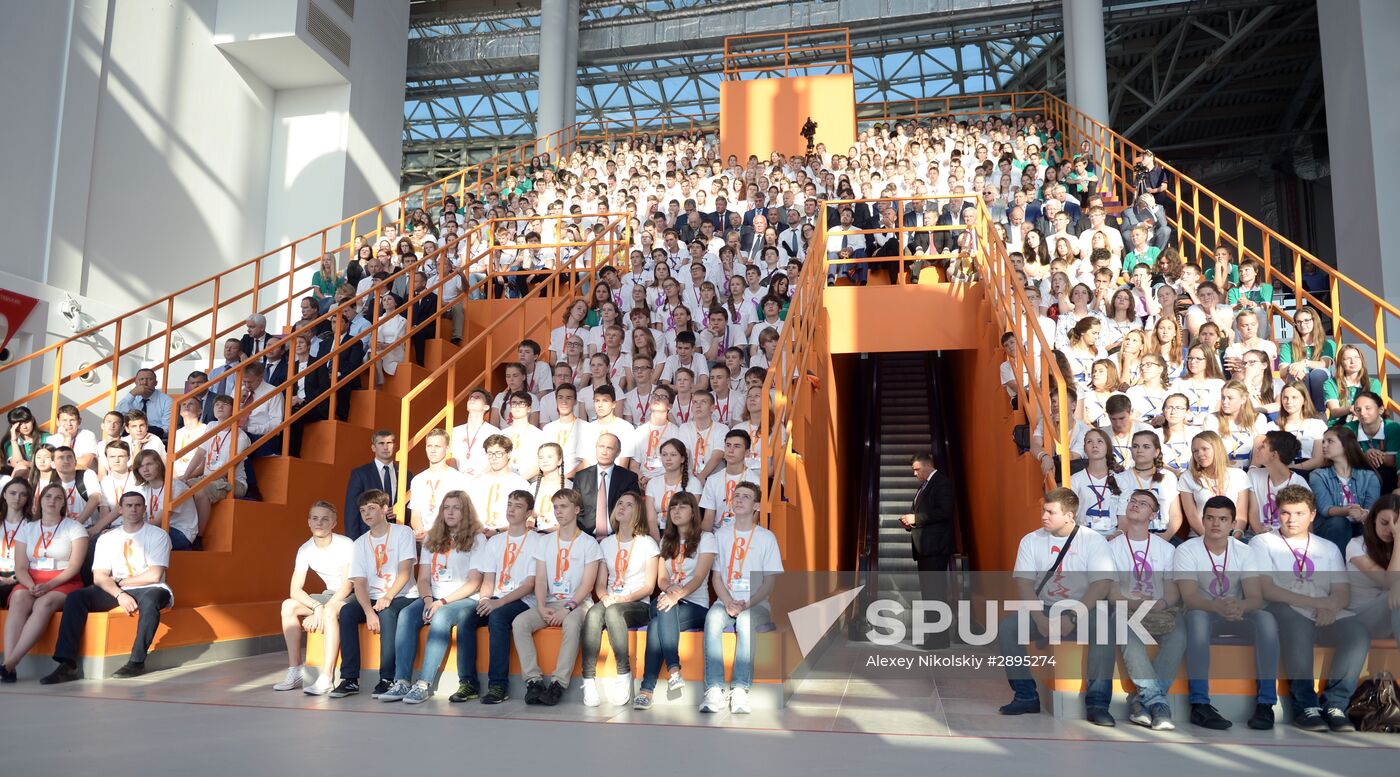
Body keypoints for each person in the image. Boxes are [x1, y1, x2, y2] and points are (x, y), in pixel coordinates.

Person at [1250, 485, 1369, 732]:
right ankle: (1305, 705)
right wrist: (1320, 604)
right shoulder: (1262, 542)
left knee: (1357, 632)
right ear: (1277, 512)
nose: (1291, 519)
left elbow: (1342, 592)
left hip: (1324, 613)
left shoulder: (1327, 547)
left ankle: (1335, 704)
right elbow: (1266, 589)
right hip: (1284, 610)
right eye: (1285, 513)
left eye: (1299, 513)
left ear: (1313, 514)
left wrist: (1331, 606)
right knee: (1296, 623)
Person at [997, 487, 1116, 725]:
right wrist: (1040, 619)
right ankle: (1026, 695)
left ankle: (1098, 704)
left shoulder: (1093, 541)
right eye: (1044, 510)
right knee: (1008, 629)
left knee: (1104, 630)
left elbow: (1101, 586)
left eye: (1051, 512)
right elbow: (1024, 584)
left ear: (1069, 516)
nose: (1044, 516)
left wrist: (1072, 617)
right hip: (1046, 607)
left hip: (1084, 608)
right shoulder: (1031, 540)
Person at [40, 491, 174, 683]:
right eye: (128, 505)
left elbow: (154, 575)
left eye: (138, 505)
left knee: (151, 599)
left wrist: (123, 583)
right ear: (120, 509)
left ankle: (137, 661)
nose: (133, 509)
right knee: (76, 598)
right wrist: (120, 593)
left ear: (145, 509)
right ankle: (67, 664)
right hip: (116, 587)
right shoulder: (107, 538)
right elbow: (99, 577)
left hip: (149, 586)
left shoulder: (158, 535)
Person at [1172, 495, 1279, 730]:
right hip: (1204, 612)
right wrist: (1216, 606)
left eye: (1222, 519)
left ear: (1233, 524)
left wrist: (1240, 606)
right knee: (1197, 620)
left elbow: (1255, 597)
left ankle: (1266, 704)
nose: (1215, 524)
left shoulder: (1244, 551)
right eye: (1209, 518)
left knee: (1266, 620)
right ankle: (1199, 704)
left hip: (1237, 613)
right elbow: (1189, 598)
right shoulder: (1186, 550)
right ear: (1202, 520)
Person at [379, 490, 487, 704]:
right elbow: (423, 578)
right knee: (407, 614)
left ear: (465, 511)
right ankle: (402, 681)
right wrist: (428, 600)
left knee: (441, 617)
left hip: (464, 599)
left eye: (456, 508)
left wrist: (442, 603)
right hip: (433, 596)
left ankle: (423, 684)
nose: (450, 512)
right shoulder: (431, 537)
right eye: (446, 508)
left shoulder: (478, 538)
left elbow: (475, 582)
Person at [513, 489, 603, 706]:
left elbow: (587, 584)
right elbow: (541, 580)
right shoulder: (545, 542)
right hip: (550, 603)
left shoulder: (589, 543)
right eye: (555, 507)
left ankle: (558, 684)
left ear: (577, 509)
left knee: (571, 625)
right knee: (520, 623)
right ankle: (533, 681)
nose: (559, 512)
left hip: (578, 604)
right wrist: (542, 606)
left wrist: (568, 608)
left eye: (563, 507)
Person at [329, 489, 418, 699]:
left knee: (387, 613)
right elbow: (359, 583)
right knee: (349, 612)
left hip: (402, 595)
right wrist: (368, 612)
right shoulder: (360, 543)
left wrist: (387, 597)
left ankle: (387, 678)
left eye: (371, 508)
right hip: (372, 596)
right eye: (362, 510)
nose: (366, 514)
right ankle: (350, 679)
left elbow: (405, 573)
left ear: (385, 509)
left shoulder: (403, 533)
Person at [1108, 490, 1185, 730]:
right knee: (1125, 629)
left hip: (1159, 610)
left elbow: (1172, 593)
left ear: (1153, 515)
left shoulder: (1166, 550)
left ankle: (1143, 702)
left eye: (1143, 504)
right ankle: (1158, 702)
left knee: (1180, 634)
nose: (1135, 505)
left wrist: (1156, 605)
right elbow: (1111, 593)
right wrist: (1137, 605)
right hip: (1126, 609)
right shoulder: (1110, 547)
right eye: (1132, 501)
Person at [702, 482, 781, 714]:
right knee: (713, 619)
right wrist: (727, 602)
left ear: (756, 505)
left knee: (745, 621)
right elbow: (716, 577)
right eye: (736, 496)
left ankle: (739, 689)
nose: (738, 500)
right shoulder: (720, 535)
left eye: (745, 497)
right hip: (724, 601)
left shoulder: (767, 538)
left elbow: (769, 583)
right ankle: (714, 688)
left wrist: (746, 603)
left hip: (756, 605)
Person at [457, 490, 542, 704]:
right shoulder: (494, 542)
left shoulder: (537, 541)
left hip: (523, 600)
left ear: (529, 512)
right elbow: (488, 580)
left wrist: (498, 603)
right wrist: (485, 600)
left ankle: (498, 685)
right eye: (509, 504)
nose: (511, 509)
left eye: (518, 506)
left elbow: (530, 584)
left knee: (498, 618)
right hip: (496, 597)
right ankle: (467, 683)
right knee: (466, 617)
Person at [634, 492, 716, 710]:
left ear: (693, 512)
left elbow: (699, 578)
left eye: (682, 507)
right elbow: (661, 578)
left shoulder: (706, 539)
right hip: (669, 602)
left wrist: (676, 595)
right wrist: (669, 590)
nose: (676, 511)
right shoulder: (665, 540)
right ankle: (674, 671)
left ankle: (647, 689)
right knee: (663, 611)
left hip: (696, 605)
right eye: (673, 507)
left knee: (656, 624)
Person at [0, 484, 88, 681]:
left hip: (63, 579)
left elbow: (74, 567)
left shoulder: (74, 527)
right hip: (31, 578)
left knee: (43, 603)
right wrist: (30, 585)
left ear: (64, 503)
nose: (52, 501)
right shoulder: (28, 528)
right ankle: (8, 664)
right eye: (48, 496)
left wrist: (49, 586)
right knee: (19, 599)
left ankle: (10, 663)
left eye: (58, 498)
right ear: (40, 500)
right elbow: (21, 566)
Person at [578, 491, 659, 707]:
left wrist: (624, 598)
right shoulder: (606, 544)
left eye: (629, 505)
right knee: (594, 613)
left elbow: (649, 586)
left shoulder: (647, 543)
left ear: (638, 512)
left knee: (613, 612)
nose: (622, 507)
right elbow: (600, 585)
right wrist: (604, 597)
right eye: (619, 503)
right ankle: (588, 679)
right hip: (612, 600)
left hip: (638, 604)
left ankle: (623, 674)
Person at [275, 501, 353, 694]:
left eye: (325, 519)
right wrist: (316, 606)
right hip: (328, 595)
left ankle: (326, 677)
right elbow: (295, 590)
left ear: (334, 523)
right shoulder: (305, 550)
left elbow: (347, 585)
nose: (320, 523)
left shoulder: (345, 544)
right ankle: (296, 670)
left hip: (352, 595)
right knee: (288, 606)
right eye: (315, 518)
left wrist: (325, 608)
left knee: (329, 612)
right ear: (309, 522)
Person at [1309, 425, 1380, 553]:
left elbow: (1372, 508)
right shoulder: (1318, 475)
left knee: (1369, 526)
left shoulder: (1369, 476)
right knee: (1339, 523)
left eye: (1330, 441)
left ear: (1346, 444)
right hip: (1330, 527)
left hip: (1360, 524)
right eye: (1323, 441)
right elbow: (1325, 509)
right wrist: (1348, 511)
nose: (1324, 445)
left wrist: (1363, 514)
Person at [1345, 495, 1400, 640]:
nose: (1390, 530)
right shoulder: (1356, 546)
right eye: (1385, 523)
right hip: (1361, 619)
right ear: (1374, 518)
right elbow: (1389, 581)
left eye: (1396, 525)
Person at [1178, 431, 1251, 538]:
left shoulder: (1239, 475)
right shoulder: (1187, 477)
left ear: (1217, 449)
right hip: (1201, 536)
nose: (1199, 454)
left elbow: (1241, 515)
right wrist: (1209, 539)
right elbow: (1192, 516)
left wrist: (1234, 537)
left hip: (1233, 536)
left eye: (1204, 449)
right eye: (1195, 451)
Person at [133, 450, 209, 551]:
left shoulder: (174, 486)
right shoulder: (144, 489)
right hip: (160, 529)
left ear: (159, 465)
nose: (145, 469)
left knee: (137, 538)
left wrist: (129, 529)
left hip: (181, 533)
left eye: (149, 464)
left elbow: (157, 521)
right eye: (141, 466)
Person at [182, 395, 250, 504]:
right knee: (177, 487)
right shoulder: (211, 426)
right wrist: (185, 477)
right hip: (207, 478)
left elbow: (229, 469)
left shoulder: (241, 436)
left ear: (234, 410)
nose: (220, 407)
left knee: (199, 490)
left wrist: (203, 481)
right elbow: (200, 453)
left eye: (225, 404)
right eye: (217, 404)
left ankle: (199, 521)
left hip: (233, 482)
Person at [1112, 431, 1182, 537]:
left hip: (1164, 534)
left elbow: (1176, 515)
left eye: (1146, 447)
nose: (1139, 450)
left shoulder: (1168, 477)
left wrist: (1165, 537)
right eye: (1135, 446)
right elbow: (1122, 518)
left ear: (1156, 452)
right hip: (1132, 536)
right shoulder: (1121, 478)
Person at [574, 432, 642, 539]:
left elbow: (634, 509)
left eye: (609, 448)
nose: (604, 452)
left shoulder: (628, 478)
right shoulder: (581, 476)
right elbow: (576, 509)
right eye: (601, 446)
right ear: (596, 448)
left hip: (618, 536)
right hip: (586, 536)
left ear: (618, 452)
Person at [407, 428, 470, 540]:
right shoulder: (418, 480)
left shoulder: (458, 479)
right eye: (429, 446)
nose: (433, 450)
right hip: (424, 541)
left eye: (437, 446)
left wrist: (433, 534)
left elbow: (461, 515)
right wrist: (420, 531)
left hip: (449, 540)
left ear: (447, 449)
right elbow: (415, 515)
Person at [343, 430, 404, 539]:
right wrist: (354, 542)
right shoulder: (360, 474)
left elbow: (411, 506)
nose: (385, 447)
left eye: (389, 443)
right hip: (368, 536)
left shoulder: (406, 474)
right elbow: (351, 511)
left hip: (398, 535)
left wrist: (399, 511)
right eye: (381, 443)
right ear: (373, 447)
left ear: (394, 446)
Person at [467, 434, 531, 534]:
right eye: (490, 453)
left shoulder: (520, 484)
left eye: (498, 453)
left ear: (509, 454)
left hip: (507, 537)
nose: (494, 457)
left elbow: (526, 519)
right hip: (478, 535)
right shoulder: (477, 483)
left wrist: (497, 531)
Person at [700, 429, 761, 531]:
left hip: (743, 536)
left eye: (737, 446)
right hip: (717, 536)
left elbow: (754, 519)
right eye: (728, 445)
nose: (731, 450)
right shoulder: (712, 480)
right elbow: (708, 519)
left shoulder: (756, 481)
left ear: (747, 452)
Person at [1323, 344, 1382, 423]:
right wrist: (1351, 409)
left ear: (1361, 360)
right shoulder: (1330, 383)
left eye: (1356, 357)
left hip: (1365, 423)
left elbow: (1372, 408)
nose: (1353, 361)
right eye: (1347, 358)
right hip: (1338, 427)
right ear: (1341, 363)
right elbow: (1334, 411)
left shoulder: (1373, 383)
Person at [115, 369, 175, 441]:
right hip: (132, 438)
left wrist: (145, 434)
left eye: (149, 379)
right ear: (136, 382)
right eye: (141, 379)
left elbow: (167, 429)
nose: (144, 383)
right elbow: (117, 415)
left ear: (156, 383)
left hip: (156, 438)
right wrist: (132, 393)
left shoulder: (166, 400)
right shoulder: (131, 398)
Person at [0, 479, 34, 606]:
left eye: (23, 494)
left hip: (20, 579)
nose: (17, 498)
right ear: (4, 495)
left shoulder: (32, 525)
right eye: (12, 493)